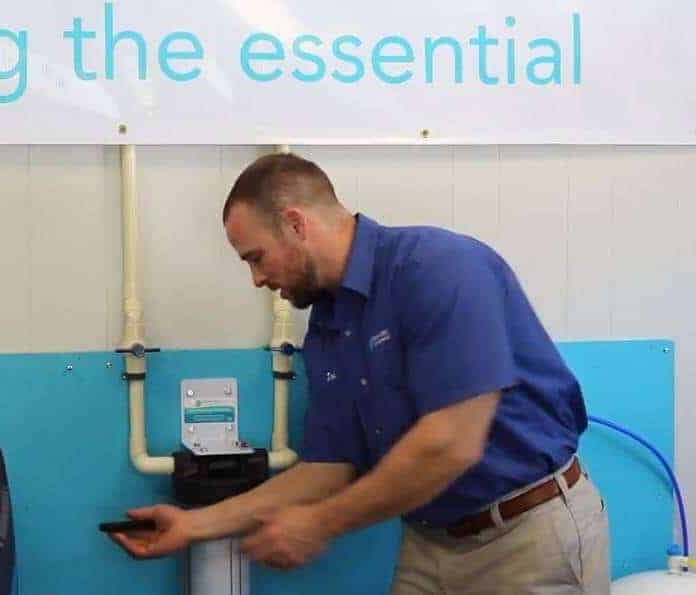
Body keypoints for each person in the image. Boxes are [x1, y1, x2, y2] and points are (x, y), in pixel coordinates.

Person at [109, 153, 611, 594]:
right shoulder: (327, 329)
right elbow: (328, 468)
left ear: (296, 223)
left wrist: (320, 525)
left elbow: (452, 442)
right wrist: (194, 526)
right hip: (432, 540)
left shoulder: (438, 269)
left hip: (524, 536)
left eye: (256, 257)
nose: (257, 279)